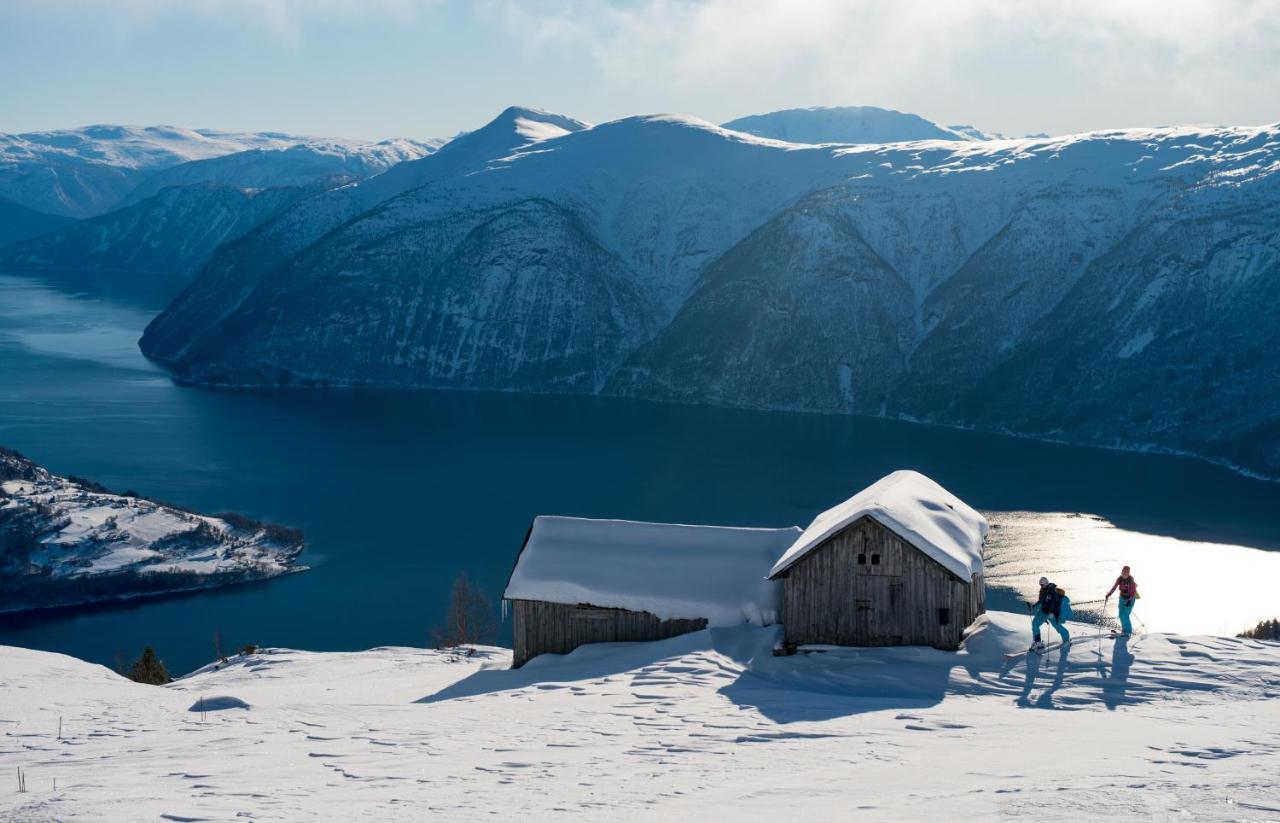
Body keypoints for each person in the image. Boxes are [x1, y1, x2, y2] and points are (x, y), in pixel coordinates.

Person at [1030, 576, 1071, 650]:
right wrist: (1034, 606)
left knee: (1057, 626)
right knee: (1035, 624)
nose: (1041, 586)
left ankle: (1066, 640)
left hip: (1051, 613)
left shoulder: (1052, 591)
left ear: (1046, 583)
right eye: (1040, 585)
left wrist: (1051, 613)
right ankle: (1038, 642)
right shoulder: (1043, 590)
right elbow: (1041, 601)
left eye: (1042, 585)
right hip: (1044, 611)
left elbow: (1054, 603)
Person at [1105, 565, 1139, 636]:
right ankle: (1124, 630)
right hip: (1122, 597)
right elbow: (1114, 587)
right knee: (1120, 615)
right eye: (1123, 572)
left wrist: (1129, 600)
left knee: (1125, 615)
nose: (1123, 574)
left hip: (1130, 599)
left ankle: (1128, 632)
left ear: (1128, 573)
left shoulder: (1131, 581)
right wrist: (1109, 594)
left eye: (1125, 573)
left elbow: (1132, 592)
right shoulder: (1119, 579)